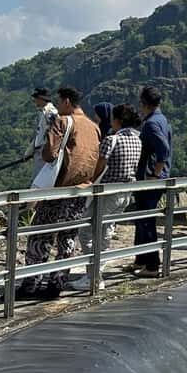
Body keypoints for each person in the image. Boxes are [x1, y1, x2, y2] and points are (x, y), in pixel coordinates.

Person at [16, 86, 100, 300]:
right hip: (81, 191)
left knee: (40, 237)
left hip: (58, 189)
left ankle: (31, 284)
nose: (58, 105)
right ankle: (57, 283)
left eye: (60, 101)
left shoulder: (63, 122)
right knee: (67, 238)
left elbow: (49, 154)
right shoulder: (93, 127)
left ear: (67, 102)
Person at [70, 104, 142, 291]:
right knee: (106, 232)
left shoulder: (112, 139)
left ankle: (93, 276)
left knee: (86, 230)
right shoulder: (138, 140)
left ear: (117, 120)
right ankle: (96, 275)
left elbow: (99, 167)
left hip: (107, 193)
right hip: (126, 193)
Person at [129, 86, 172, 279]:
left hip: (150, 179)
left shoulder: (151, 124)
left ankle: (152, 265)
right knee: (142, 220)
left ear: (144, 103)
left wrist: (155, 174)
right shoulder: (161, 119)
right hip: (154, 177)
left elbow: (163, 150)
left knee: (146, 222)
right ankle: (142, 260)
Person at [23, 87, 58, 183]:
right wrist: (29, 152)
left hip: (45, 151)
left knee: (39, 180)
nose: (35, 101)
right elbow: (39, 134)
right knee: (38, 179)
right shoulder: (44, 112)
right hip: (39, 151)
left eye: (36, 98)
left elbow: (54, 133)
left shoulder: (50, 112)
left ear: (41, 98)